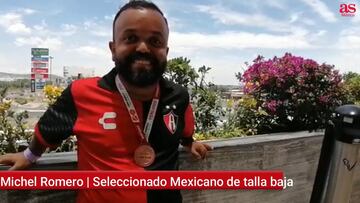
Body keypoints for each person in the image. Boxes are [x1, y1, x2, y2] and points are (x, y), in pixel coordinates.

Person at [0, 1, 212, 203]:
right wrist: (30, 155)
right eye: (130, 38)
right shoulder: (81, 93)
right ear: (113, 49)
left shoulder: (179, 96)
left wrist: (189, 143)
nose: (143, 48)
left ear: (165, 52)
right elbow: (47, 131)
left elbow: (183, 131)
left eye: (155, 41)